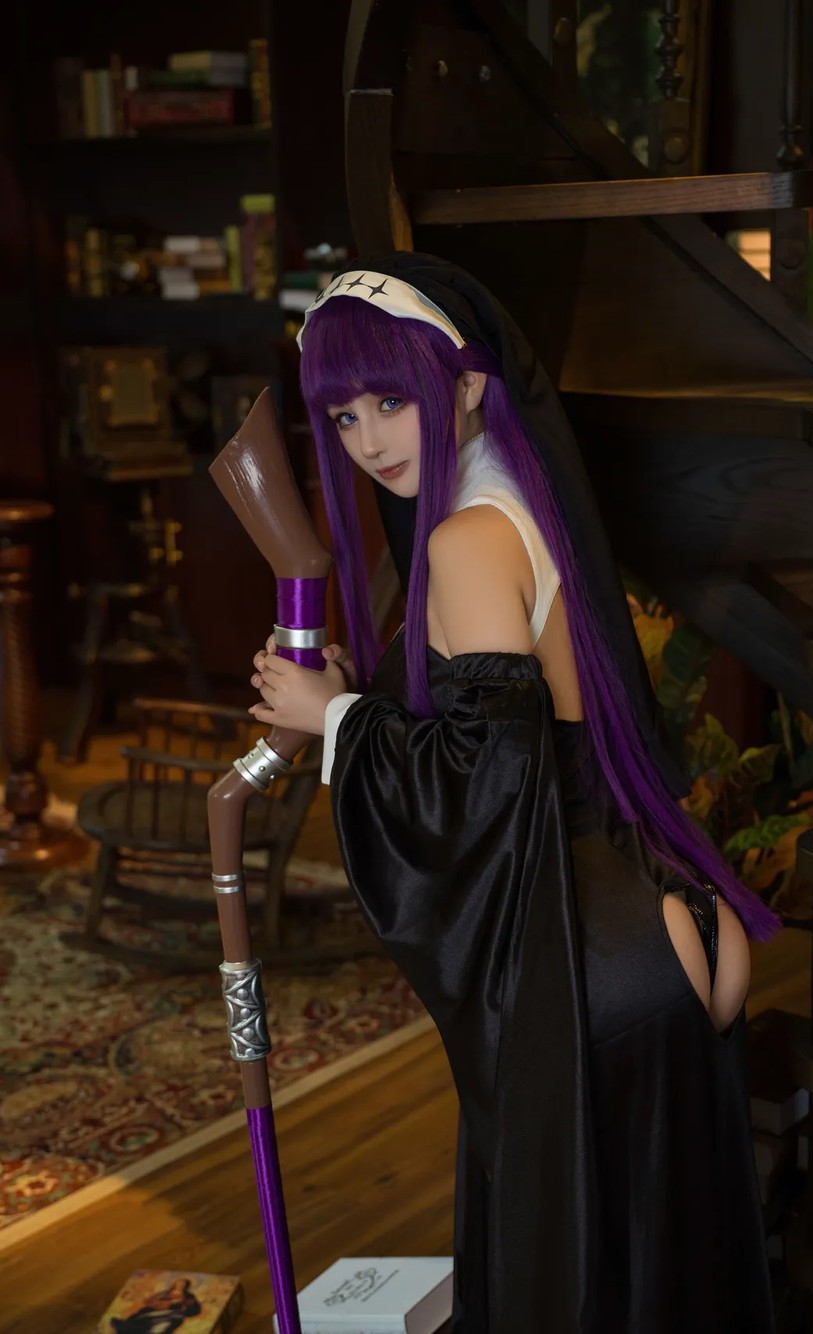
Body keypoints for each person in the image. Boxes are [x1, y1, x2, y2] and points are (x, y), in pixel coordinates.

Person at [248, 254, 779, 1333]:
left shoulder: (465, 539)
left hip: (592, 964)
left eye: (390, 400)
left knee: (581, 1292)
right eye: (343, 416)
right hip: (648, 913)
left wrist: (335, 723)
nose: (369, 441)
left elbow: (489, 779)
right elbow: (516, 731)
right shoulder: (520, 494)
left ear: (467, 382)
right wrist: (360, 698)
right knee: (657, 1280)